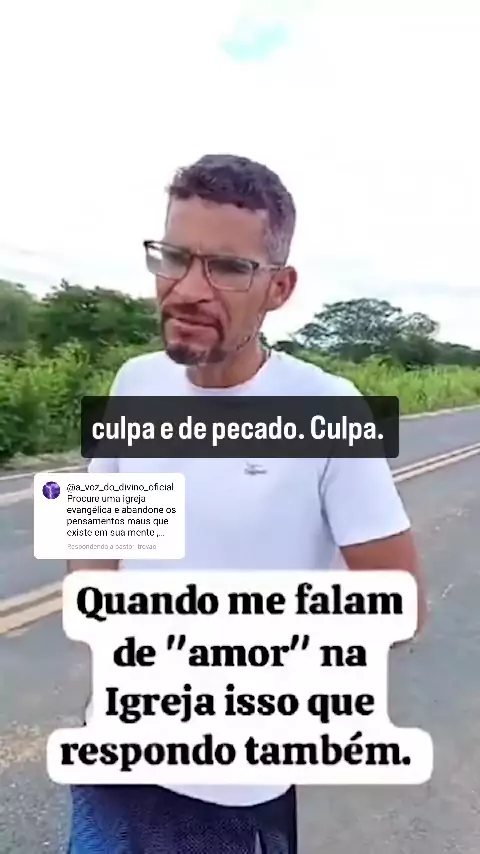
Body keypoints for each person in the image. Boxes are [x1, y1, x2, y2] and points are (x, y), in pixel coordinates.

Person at [67, 153, 426, 853]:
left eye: (228, 268)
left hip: (233, 789)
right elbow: (98, 544)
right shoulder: (134, 384)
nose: (189, 289)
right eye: (175, 257)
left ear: (278, 288)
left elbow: (400, 607)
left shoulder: (326, 409)